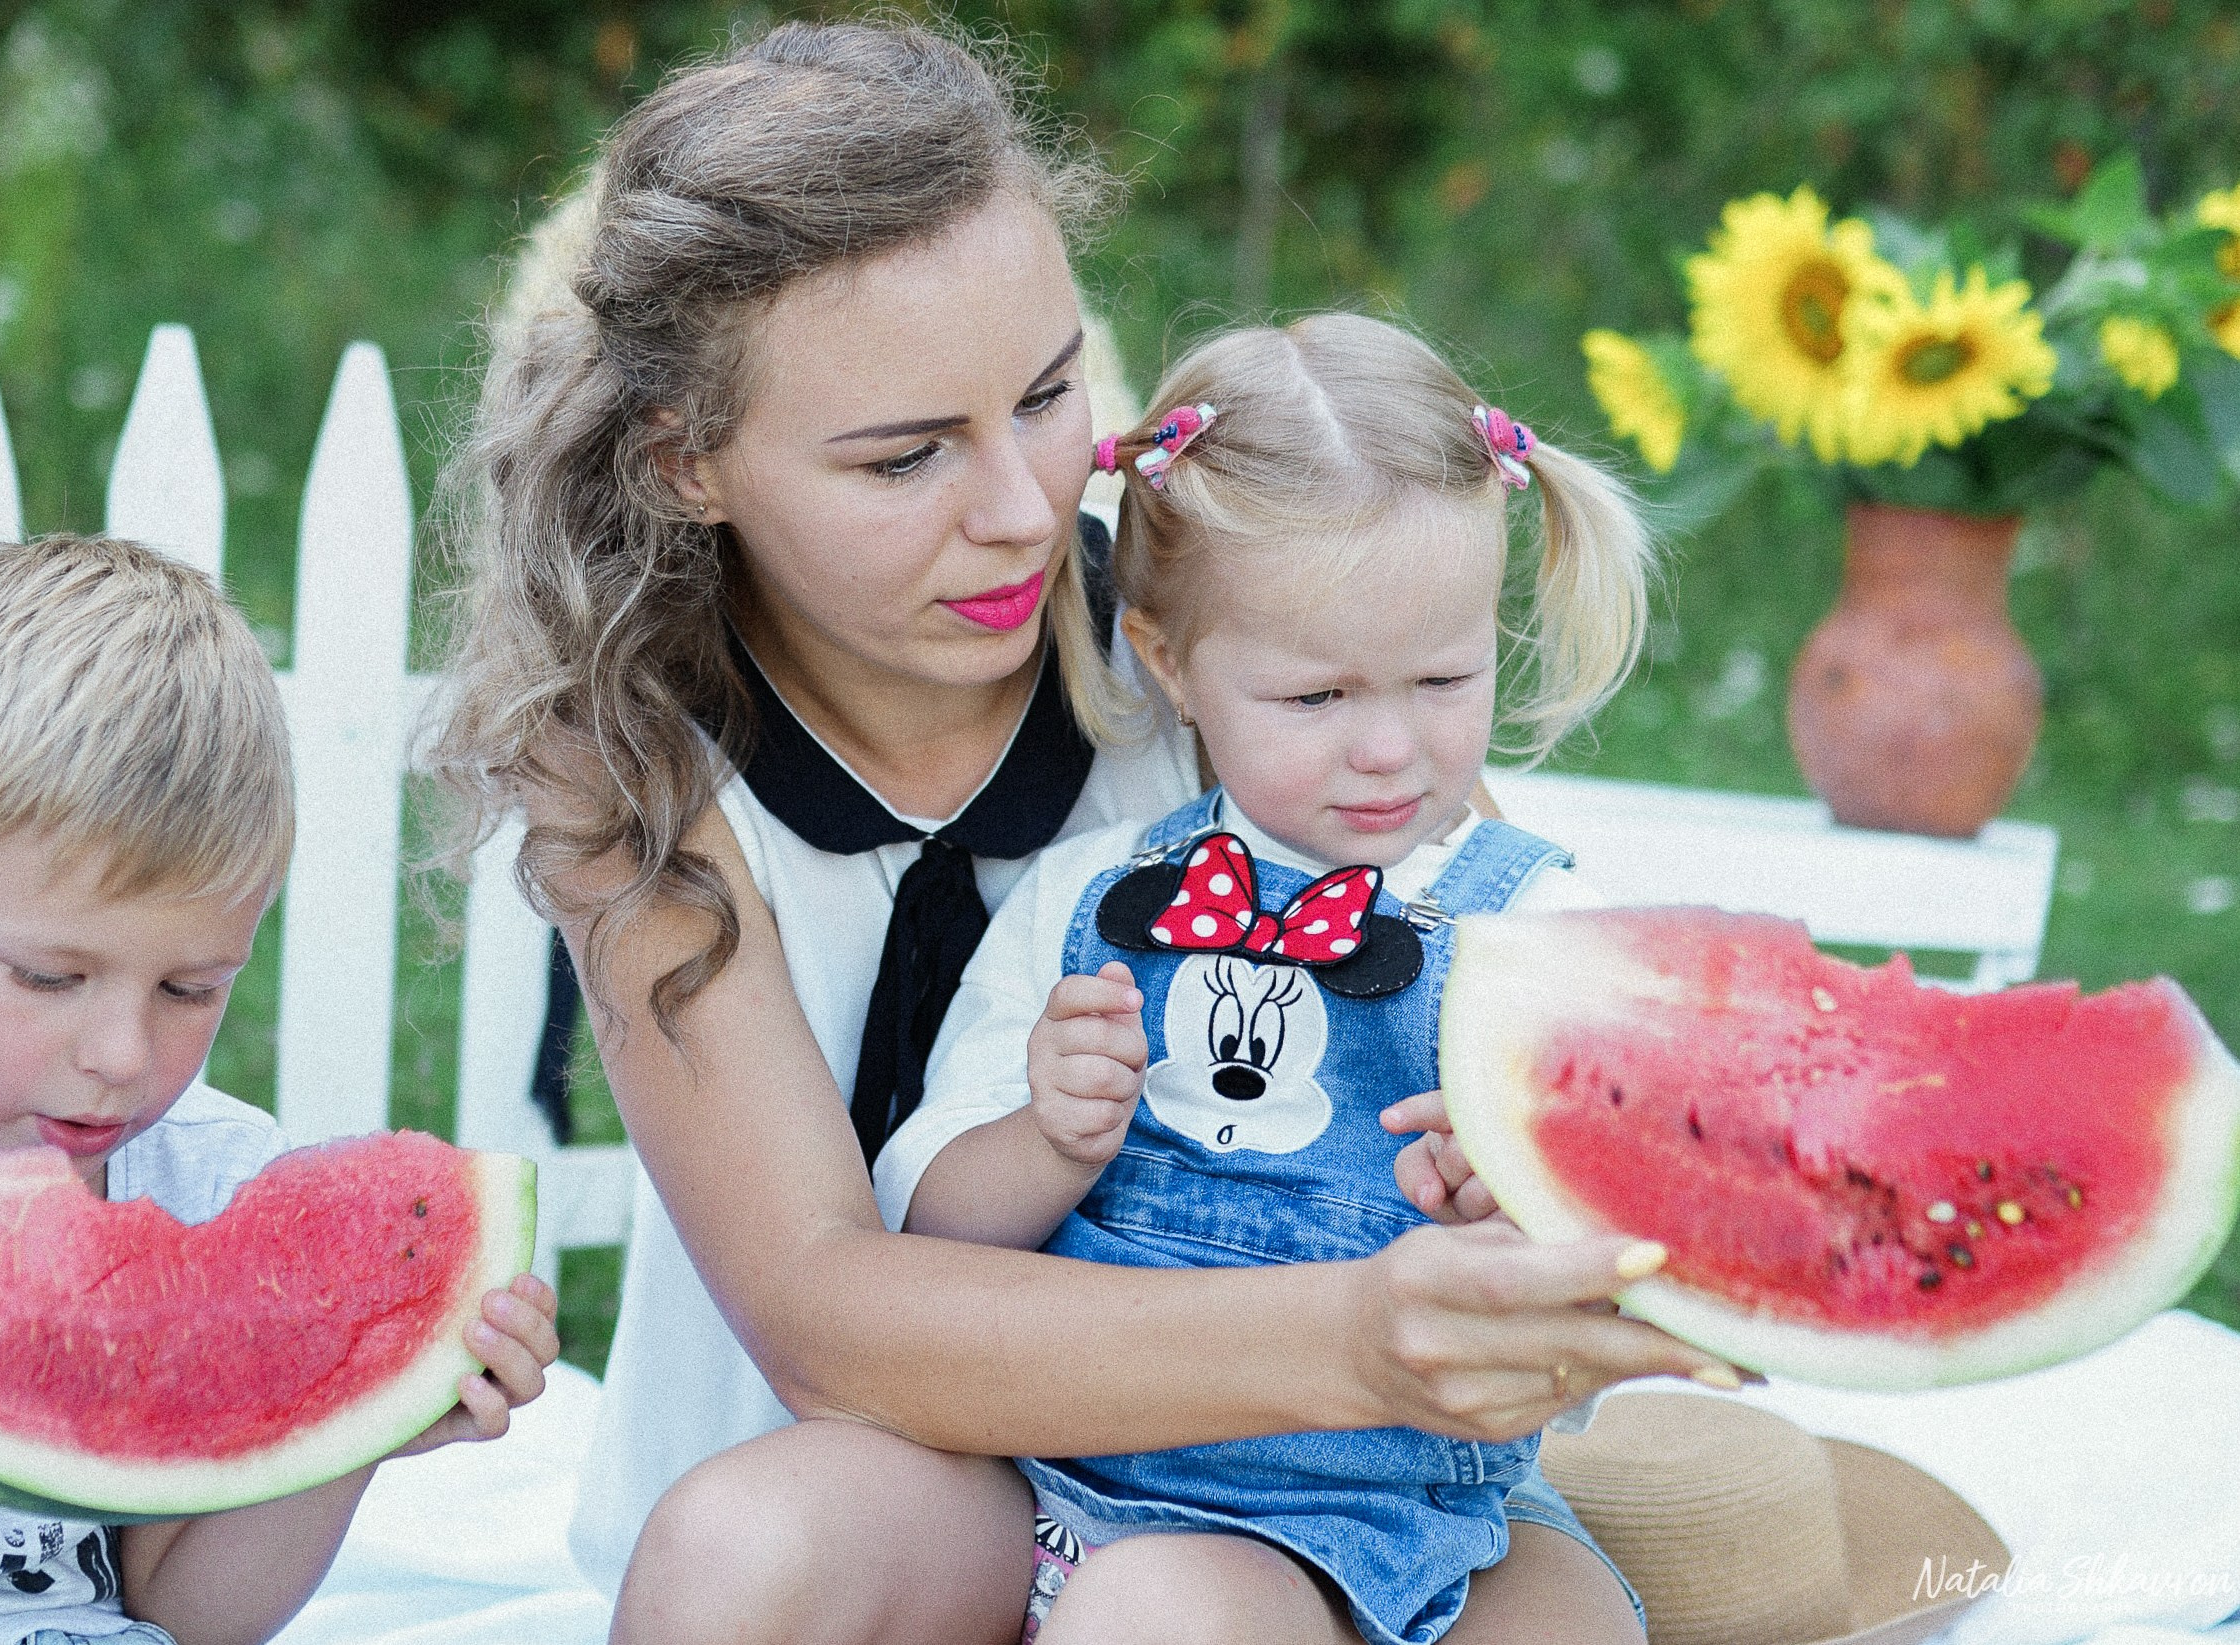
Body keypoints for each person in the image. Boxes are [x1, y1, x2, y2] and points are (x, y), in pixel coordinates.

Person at [429, 20, 1742, 1644]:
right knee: (734, 1564)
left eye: (1048, 394)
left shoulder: (1228, 637)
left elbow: (1467, 957)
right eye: (905, 454)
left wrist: (1496, 1177)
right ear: (687, 460)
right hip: (882, 1514)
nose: (1020, 506)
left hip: (1296, 1495)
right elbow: (824, 1313)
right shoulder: (632, 764)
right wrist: (1352, 1331)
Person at [876, 315, 1668, 1644]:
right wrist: (1045, 1138)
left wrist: (1523, 1213)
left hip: (1424, 1505)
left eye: (1440, 678)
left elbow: (1615, 1306)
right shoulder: (1085, 905)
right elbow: (931, 1236)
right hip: (1078, 1484)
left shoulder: (1541, 930)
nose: (1384, 749)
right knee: (1153, 1614)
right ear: (1173, 663)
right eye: (1313, 698)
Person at [0, 536, 561, 1645]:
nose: (123, 1053)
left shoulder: (214, 1175)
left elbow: (186, 1613)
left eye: (189, 985)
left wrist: (355, 1414)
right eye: (49, 977)